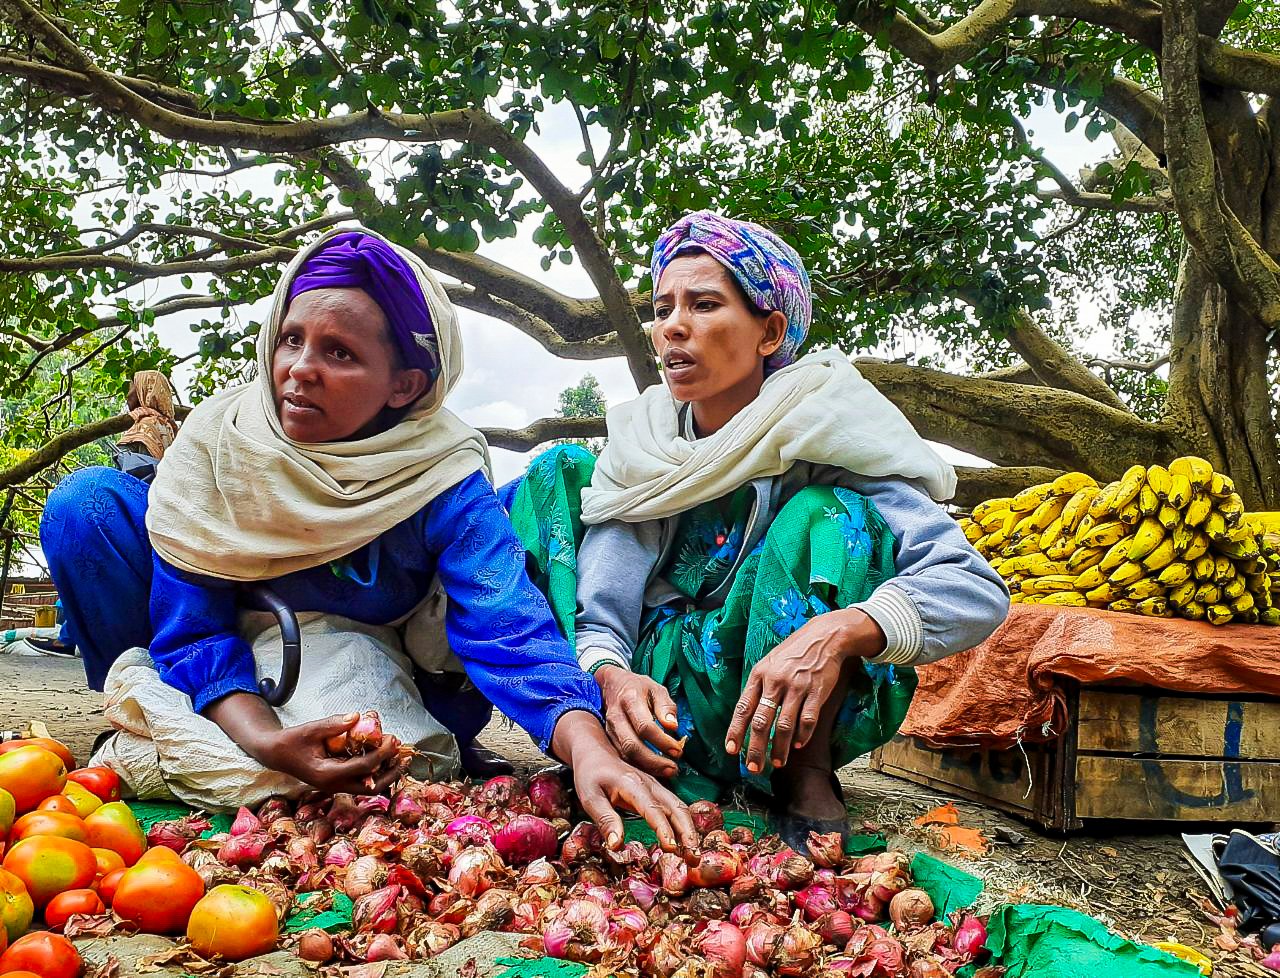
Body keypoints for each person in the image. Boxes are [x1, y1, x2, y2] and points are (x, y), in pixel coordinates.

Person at [40, 227, 697, 851]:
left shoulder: (439, 472)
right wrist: (267, 740)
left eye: (340, 353)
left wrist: (586, 746)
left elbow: (505, 620)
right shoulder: (222, 451)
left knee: (401, 733)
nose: (298, 369)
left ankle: (425, 735)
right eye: (290, 339)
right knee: (85, 507)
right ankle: (143, 713)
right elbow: (195, 627)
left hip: (376, 663)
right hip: (231, 655)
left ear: (404, 385)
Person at [505, 211, 1009, 850]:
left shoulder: (824, 430)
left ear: (770, 332)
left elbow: (976, 589)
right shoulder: (644, 444)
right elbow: (602, 612)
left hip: (782, 703)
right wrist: (612, 676)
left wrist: (839, 631)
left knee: (829, 516)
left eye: (705, 304)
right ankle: (602, 751)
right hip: (659, 710)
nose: (673, 328)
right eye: (662, 310)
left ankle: (804, 781)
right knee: (553, 471)